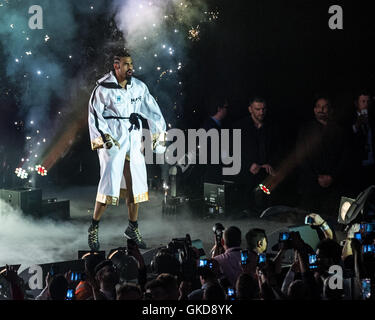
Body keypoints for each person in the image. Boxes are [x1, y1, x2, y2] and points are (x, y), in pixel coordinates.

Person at [87, 48, 167, 250]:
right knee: (109, 180)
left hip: (132, 135)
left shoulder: (139, 87)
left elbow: (153, 111)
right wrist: (104, 137)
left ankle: (133, 226)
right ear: (116, 66)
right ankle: (94, 226)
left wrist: (158, 134)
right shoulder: (103, 89)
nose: (131, 67)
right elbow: (95, 116)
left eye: (131, 64)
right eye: (126, 64)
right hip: (113, 137)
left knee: (135, 183)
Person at [296, 94, 352, 217]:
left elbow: (344, 156)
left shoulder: (340, 131)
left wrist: (332, 176)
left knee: (332, 221)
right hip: (311, 184)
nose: (321, 110)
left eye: (325, 107)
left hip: (334, 184)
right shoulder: (306, 130)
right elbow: (301, 157)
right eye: (318, 107)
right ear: (314, 109)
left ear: (331, 110)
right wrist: (316, 176)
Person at [234, 96, 280, 213]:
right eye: (257, 109)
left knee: (268, 203)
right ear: (250, 109)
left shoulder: (272, 126)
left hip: (267, 175)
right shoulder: (240, 126)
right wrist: (248, 164)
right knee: (248, 207)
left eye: (263, 109)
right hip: (247, 176)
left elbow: (278, 149)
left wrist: (270, 163)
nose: (261, 112)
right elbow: (233, 151)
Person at [351, 89, 375, 192]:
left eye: (368, 102)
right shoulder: (350, 119)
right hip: (358, 166)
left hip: (372, 164)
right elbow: (348, 139)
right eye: (363, 101)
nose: (366, 105)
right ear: (357, 103)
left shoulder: (373, 118)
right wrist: (357, 125)